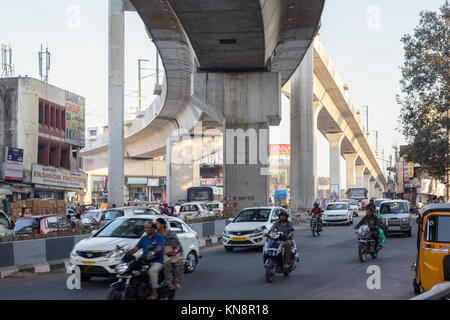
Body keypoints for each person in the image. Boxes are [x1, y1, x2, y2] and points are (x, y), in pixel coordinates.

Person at [126, 221, 164, 300]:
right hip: (145, 260)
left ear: (153, 229)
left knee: (152, 271)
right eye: (145, 228)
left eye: (147, 228)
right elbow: (135, 249)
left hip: (157, 261)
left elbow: (159, 248)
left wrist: (153, 253)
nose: (145, 229)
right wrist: (125, 253)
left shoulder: (159, 237)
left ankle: (154, 293)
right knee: (132, 268)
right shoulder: (144, 238)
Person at [155, 218, 185, 290]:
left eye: (157, 224)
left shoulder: (171, 233)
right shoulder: (156, 235)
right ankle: (169, 283)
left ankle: (176, 282)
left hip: (173, 253)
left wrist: (176, 250)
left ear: (162, 225)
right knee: (168, 264)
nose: (156, 225)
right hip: (161, 254)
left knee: (179, 263)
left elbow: (178, 245)